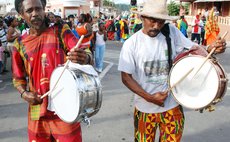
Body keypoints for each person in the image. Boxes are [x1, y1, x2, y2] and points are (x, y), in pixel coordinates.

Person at [118, 0, 226, 142]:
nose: (156, 26)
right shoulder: (131, 44)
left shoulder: (171, 32)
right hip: (145, 110)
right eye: (152, 20)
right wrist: (150, 98)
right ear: (142, 17)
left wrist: (212, 48)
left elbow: (194, 49)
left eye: (161, 22)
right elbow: (126, 77)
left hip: (172, 108)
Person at [12, 0, 93, 141]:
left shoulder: (60, 31)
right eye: (30, 10)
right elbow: (17, 79)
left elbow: (85, 53)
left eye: (38, 9)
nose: (35, 14)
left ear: (44, 9)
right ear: (21, 14)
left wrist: (85, 57)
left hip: (65, 108)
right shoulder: (19, 44)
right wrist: (25, 94)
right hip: (37, 111)